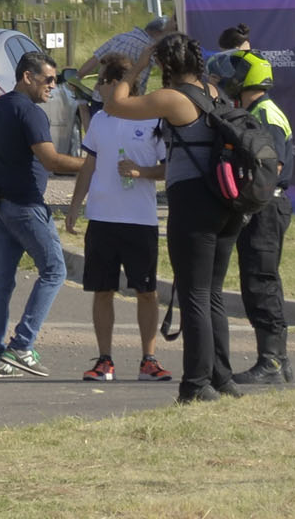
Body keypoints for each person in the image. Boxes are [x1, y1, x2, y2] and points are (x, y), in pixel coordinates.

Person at [99, 34, 245, 404]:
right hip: (227, 200)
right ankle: (221, 377)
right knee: (212, 294)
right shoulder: (215, 92)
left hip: (194, 201)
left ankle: (197, 383)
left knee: (193, 295)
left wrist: (138, 64)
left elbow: (115, 104)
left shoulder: (173, 98)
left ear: (164, 65)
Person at [62, 56, 174, 384]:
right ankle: (104, 360)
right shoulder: (100, 120)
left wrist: (142, 172)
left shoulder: (155, 118)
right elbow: (89, 165)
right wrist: (74, 205)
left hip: (140, 220)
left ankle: (149, 360)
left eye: (101, 82)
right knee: (102, 290)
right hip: (102, 218)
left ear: (116, 83)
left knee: (146, 291)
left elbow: (168, 168)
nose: (97, 88)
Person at [0, 51, 83, 379]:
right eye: (48, 79)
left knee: (2, 281)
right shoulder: (31, 113)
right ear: (27, 77)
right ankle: (22, 344)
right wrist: (93, 164)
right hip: (24, 205)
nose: (53, 86)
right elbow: (51, 161)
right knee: (54, 269)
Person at [211, 50, 295, 386]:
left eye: (234, 72)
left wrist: (246, 201)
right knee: (254, 281)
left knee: (261, 281)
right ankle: (277, 360)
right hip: (259, 209)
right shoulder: (254, 110)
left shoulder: (265, 114)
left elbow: (269, 167)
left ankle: (272, 361)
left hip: (266, 208)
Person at [77, 15, 171, 79]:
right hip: (127, 100)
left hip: (100, 95)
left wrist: (77, 79)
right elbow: (168, 70)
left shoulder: (120, 37)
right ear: (159, 33)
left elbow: (95, 59)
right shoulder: (150, 47)